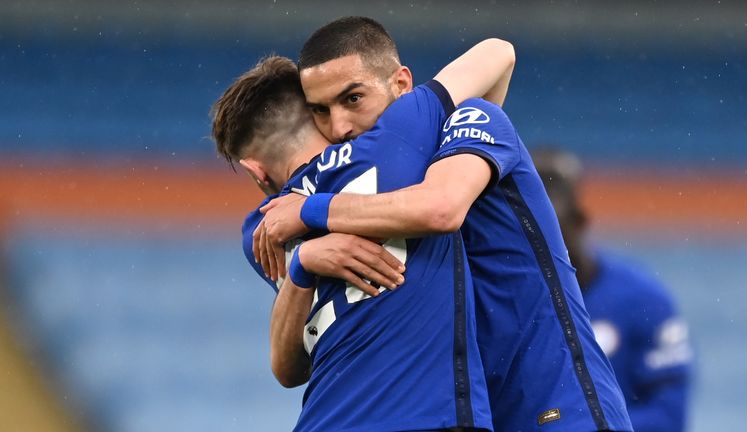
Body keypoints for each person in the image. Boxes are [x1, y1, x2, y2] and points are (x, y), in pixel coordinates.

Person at [256, 16, 633, 432]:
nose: (340, 127)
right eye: (320, 112)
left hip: (555, 397)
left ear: (401, 84)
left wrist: (308, 210)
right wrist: (305, 259)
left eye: (353, 99)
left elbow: (441, 208)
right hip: (484, 409)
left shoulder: (472, 120)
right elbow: (288, 368)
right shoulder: (380, 185)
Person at [212, 34, 519, 430]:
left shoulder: (263, 226)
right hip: (423, 415)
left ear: (255, 170)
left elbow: (287, 371)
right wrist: (451, 143)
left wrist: (305, 250)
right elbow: (499, 51)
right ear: (313, 115)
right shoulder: (400, 134)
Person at [531, 147, 694, 432]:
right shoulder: (498, 302)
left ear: (579, 222)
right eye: (532, 233)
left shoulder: (643, 300)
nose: (545, 247)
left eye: (554, 230)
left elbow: (668, 415)